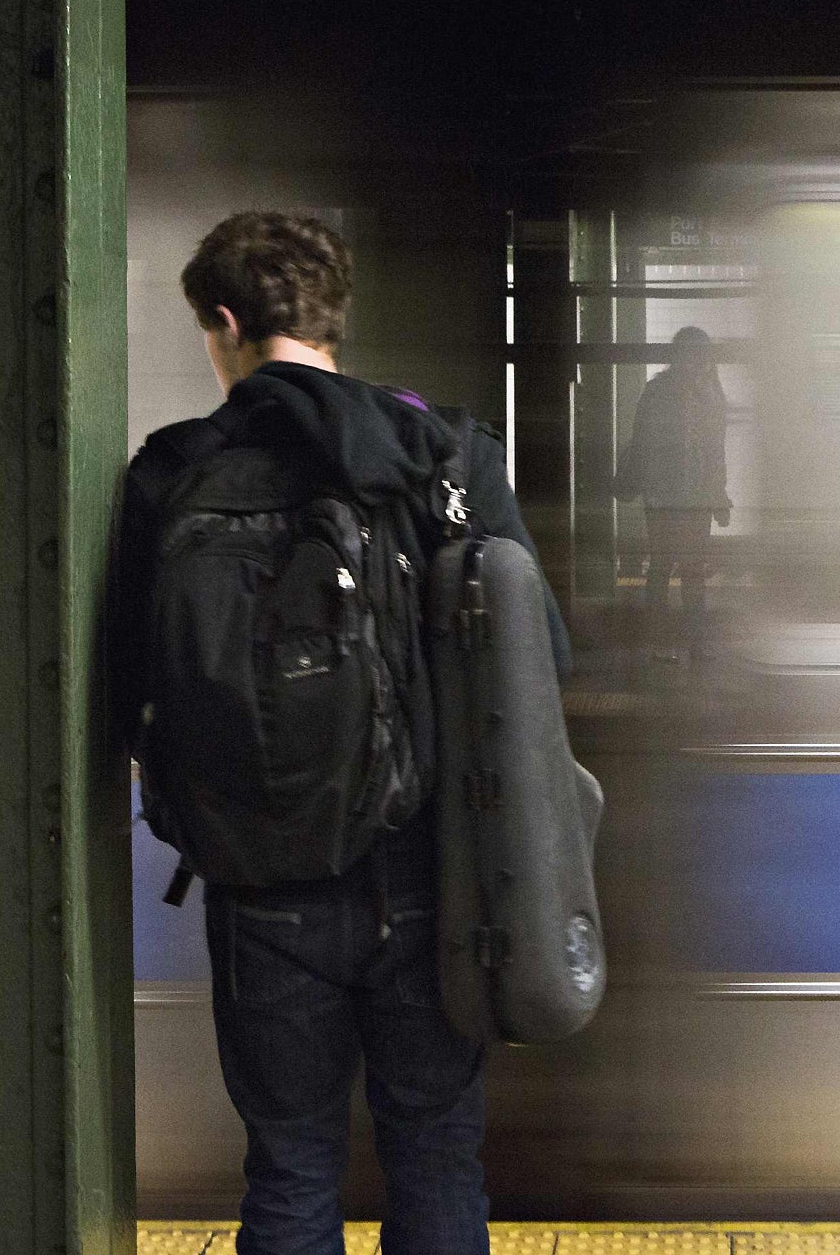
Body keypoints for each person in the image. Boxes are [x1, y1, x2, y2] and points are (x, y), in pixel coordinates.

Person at [108, 211, 566, 1255]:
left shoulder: (171, 472)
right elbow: (540, 663)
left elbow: (131, 689)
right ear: (331, 318)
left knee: (291, 1165)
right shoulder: (446, 455)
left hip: (261, 892)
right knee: (437, 1152)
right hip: (428, 881)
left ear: (222, 322)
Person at [615, 325, 730, 655]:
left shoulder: (664, 391)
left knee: (675, 568)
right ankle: (679, 641)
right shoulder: (701, 394)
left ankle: (675, 641)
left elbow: (713, 451)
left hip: (675, 497)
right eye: (691, 356)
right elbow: (714, 452)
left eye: (699, 356)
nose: (695, 363)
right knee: (678, 568)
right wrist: (717, 494)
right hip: (672, 497)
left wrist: (719, 495)